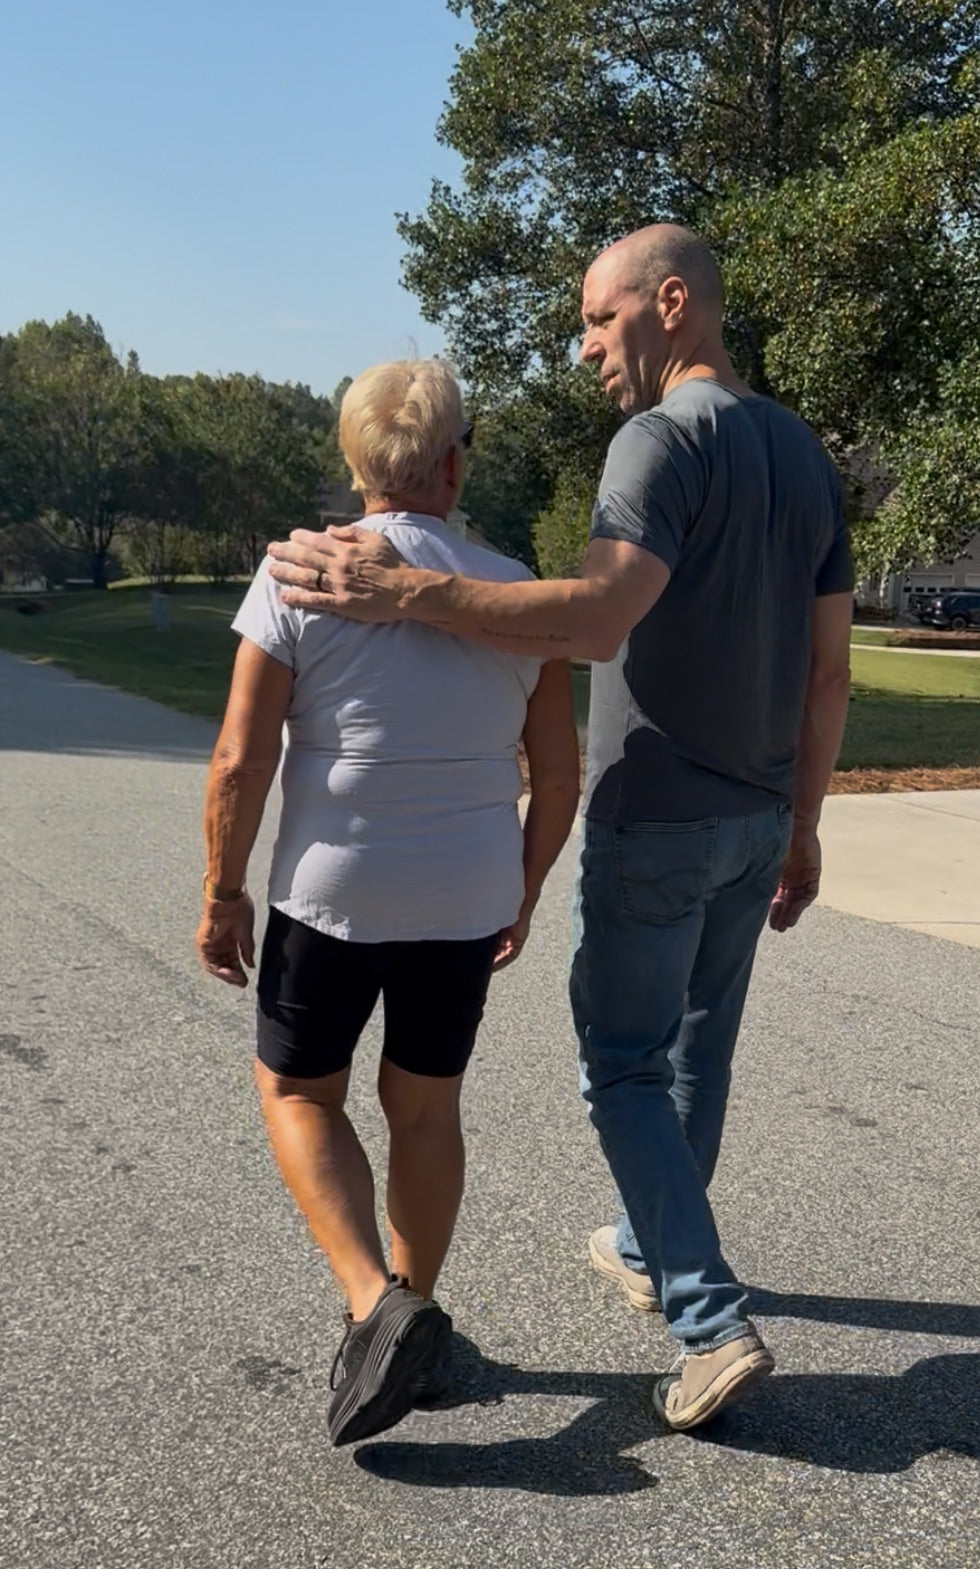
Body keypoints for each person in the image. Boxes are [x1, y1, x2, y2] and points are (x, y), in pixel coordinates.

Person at [265, 224, 853, 1432]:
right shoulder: (803, 453)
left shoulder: (657, 440)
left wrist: (404, 589)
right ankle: (646, 1242)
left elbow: (593, 618)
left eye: (599, 316)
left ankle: (711, 1318)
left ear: (672, 303)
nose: (586, 346)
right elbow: (829, 671)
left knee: (628, 1068)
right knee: (695, 1054)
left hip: (663, 813)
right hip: (754, 818)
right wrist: (804, 824)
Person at [196, 358, 579, 1447]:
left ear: (355, 465)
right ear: (456, 462)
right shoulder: (516, 594)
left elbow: (238, 756)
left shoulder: (297, 576)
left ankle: (376, 1303)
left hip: (333, 891)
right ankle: (410, 1316)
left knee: (298, 1093)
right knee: (425, 1107)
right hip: (464, 891)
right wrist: (527, 882)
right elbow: (558, 775)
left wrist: (224, 889)